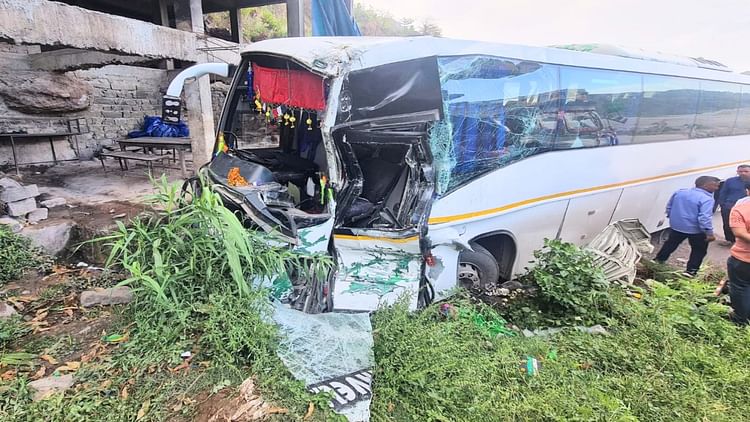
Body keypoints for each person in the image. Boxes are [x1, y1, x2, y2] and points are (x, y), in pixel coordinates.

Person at [654, 176, 721, 276]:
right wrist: (709, 233)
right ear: (706, 185)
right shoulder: (707, 199)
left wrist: (673, 218)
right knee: (699, 250)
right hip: (696, 230)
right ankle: (691, 271)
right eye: (715, 186)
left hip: (677, 226)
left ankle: (658, 260)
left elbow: (669, 207)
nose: (717, 188)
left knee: (670, 244)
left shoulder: (680, 192)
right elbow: (704, 218)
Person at [726, 183, 750, 324]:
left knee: (740, 288)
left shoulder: (740, 208)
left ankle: (740, 320)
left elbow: (739, 233)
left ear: (747, 191)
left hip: (743, 259)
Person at [718, 164, 750, 244]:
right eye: (740, 171)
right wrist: (723, 205)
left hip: (746, 209)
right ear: (737, 172)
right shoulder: (730, 181)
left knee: (745, 226)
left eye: (746, 171)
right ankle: (730, 240)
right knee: (727, 225)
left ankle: (744, 242)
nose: (743, 173)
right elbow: (723, 193)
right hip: (729, 207)